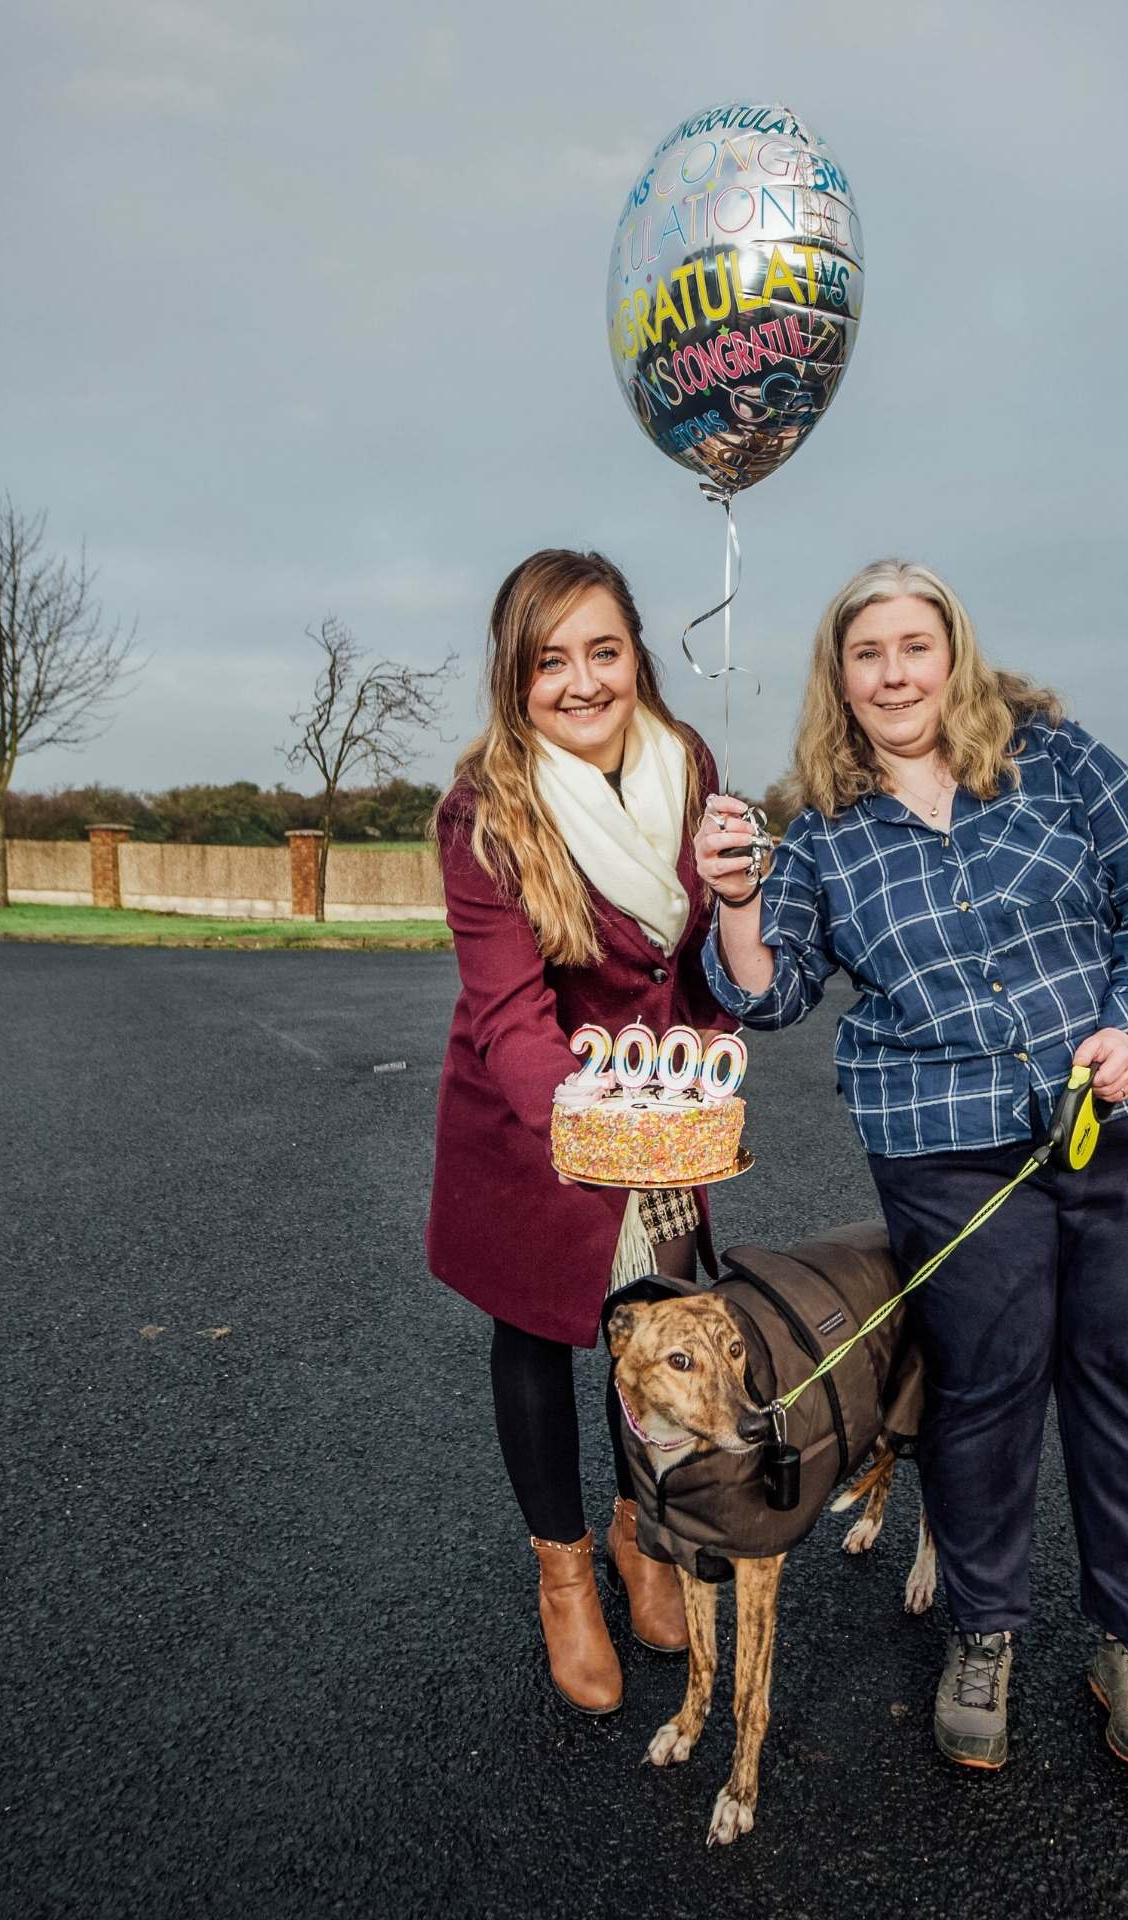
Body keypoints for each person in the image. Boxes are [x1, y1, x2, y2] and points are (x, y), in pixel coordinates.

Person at [691, 558, 1128, 1780]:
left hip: (1114, 1113)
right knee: (984, 1386)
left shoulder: (1061, 761)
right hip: (946, 1141)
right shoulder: (818, 826)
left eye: (916, 645)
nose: (895, 672)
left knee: (1126, 1383)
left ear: (954, 653)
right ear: (842, 679)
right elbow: (772, 993)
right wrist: (731, 902)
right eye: (868, 654)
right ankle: (984, 1630)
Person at [427, 548, 734, 1715]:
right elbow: (509, 1014)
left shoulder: (689, 763)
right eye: (550, 660)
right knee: (543, 1337)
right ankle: (563, 1574)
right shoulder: (484, 811)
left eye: (603, 651)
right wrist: (599, 1131)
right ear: (516, 679)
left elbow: (698, 945)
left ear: (636, 657)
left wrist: (717, 1019)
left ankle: (639, 1535)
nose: (582, 681)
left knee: (651, 1334)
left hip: (661, 1105)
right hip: (538, 1115)